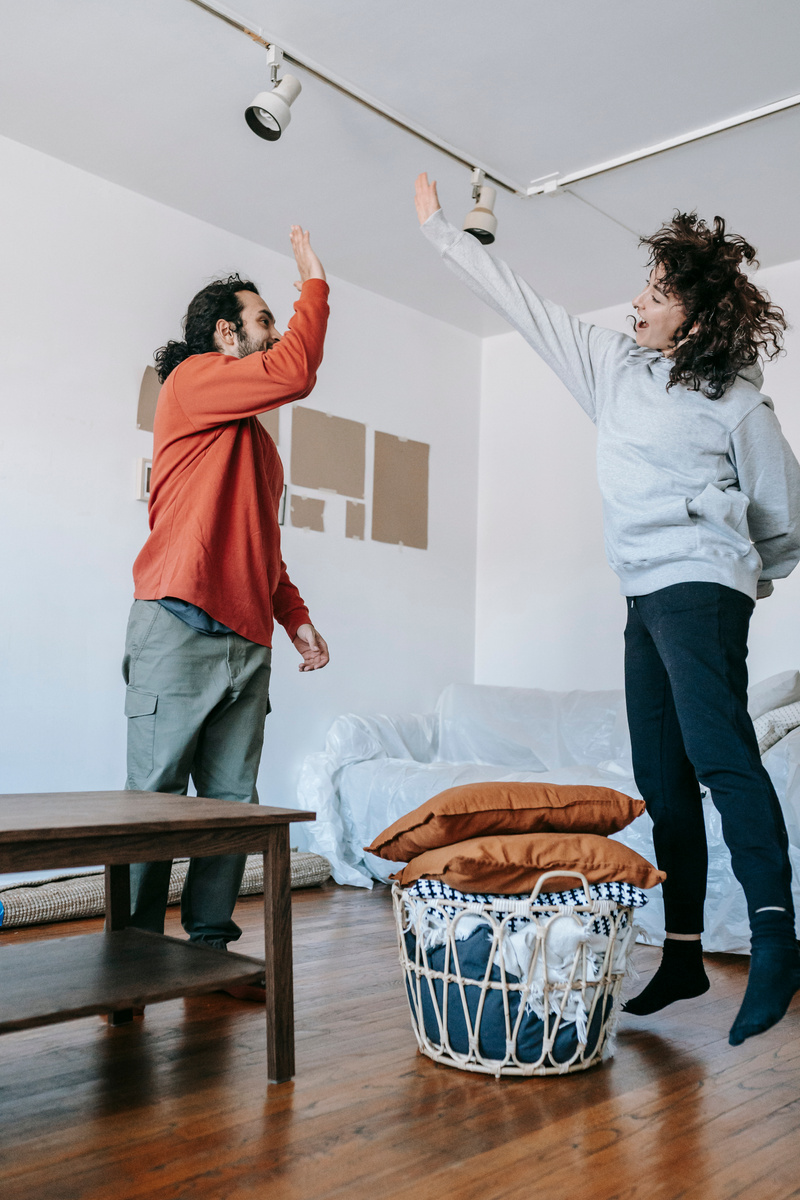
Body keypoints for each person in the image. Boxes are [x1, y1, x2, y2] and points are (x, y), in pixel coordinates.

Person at [414, 172, 800, 1046]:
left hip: (700, 589)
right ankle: (686, 952)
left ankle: (777, 945)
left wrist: (742, 569)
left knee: (721, 757)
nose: (637, 302)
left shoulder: (737, 403)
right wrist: (444, 232)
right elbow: (526, 304)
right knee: (662, 778)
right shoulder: (613, 369)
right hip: (642, 594)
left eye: (657, 295)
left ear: (693, 320)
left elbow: (786, 518)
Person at [123, 226, 330, 997]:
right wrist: (314, 282)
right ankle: (134, 959)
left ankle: (209, 952)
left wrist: (296, 619)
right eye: (263, 317)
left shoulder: (259, 446)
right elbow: (296, 369)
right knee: (152, 805)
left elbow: (262, 549)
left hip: (246, 641)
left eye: (278, 315)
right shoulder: (194, 382)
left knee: (231, 807)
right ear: (224, 331)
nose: (273, 330)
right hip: (176, 623)